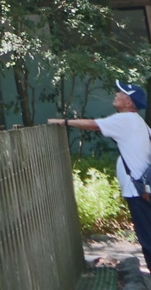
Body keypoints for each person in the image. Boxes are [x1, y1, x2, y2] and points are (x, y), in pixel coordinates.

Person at [49, 81, 151, 266]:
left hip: (138, 191)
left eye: (120, 93)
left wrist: (64, 122)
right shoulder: (140, 124)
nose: (116, 94)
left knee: (147, 237)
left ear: (129, 102)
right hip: (144, 189)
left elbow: (94, 125)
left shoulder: (126, 119)